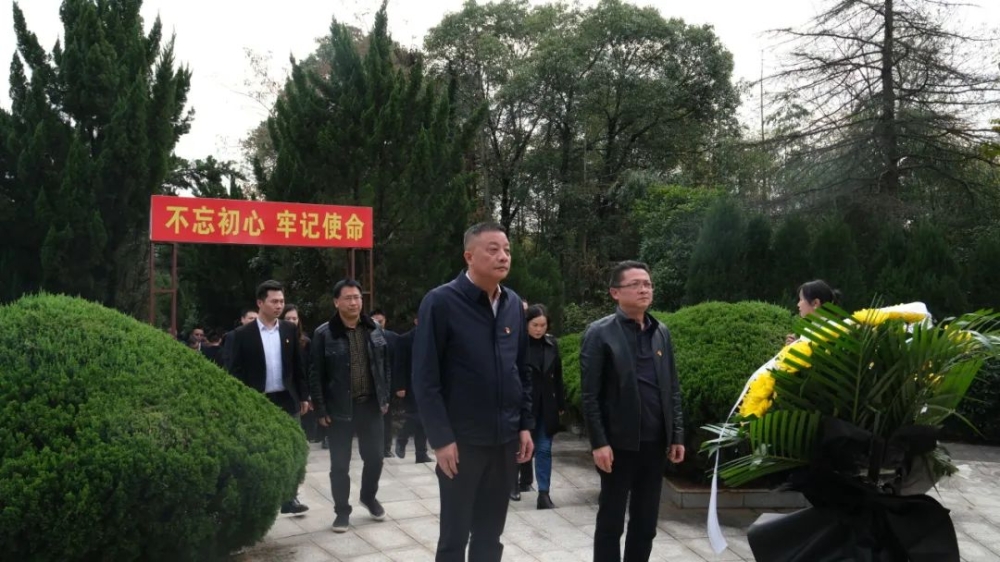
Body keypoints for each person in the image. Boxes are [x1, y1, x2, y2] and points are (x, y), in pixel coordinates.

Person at [413, 222, 534, 562]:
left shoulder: (513, 304)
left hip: (505, 440)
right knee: (454, 537)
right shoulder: (441, 302)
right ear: (469, 256)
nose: (503, 256)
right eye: (493, 250)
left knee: (490, 535)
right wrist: (441, 439)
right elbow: (425, 378)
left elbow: (521, 370)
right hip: (462, 442)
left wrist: (525, 424)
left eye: (507, 250)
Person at [580, 260, 685, 562]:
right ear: (615, 292)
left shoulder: (660, 331)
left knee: (646, 523)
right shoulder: (599, 333)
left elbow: (672, 388)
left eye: (648, 284)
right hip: (618, 445)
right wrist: (599, 442)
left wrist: (677, 434)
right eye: (635, 284)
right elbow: (590, 396)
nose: (644, 289)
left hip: (654, 443)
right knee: (611, 521)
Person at [310, 279, 392, 533]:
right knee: (340, 465)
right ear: (336, 302)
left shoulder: (374, 329)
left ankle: (368, 496)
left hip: (371, 406)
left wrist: (385, 397)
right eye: (348, 298)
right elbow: (316, 374)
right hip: (339, 409)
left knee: (376, 458)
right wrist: (321, 409)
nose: (354, 302)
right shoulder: (324, 334)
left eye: (357, 297)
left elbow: (385, 366)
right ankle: (342, 511)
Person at [226, 280, 310, 515]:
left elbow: (298, 367)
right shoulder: (242, 335)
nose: (279, 306)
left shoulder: (289, 330)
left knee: (293, 448)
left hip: (286, 398)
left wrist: (304, 396)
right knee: (260, 449)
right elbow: (234, 372)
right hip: (258, 400)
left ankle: (290, 497)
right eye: (274, 301)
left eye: (282, 301)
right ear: (260, 303)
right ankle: (260, 498)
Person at [510, 304, 565, 509]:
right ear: (526, 324)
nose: (539, 329)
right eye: (535, 325)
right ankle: (512, 484)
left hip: (547, 405)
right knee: (520, 446)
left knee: (544, 449)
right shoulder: (517, 345)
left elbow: (558, 376)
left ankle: (544, 493)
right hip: (523, 404)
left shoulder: (552, 344)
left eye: (543, 325)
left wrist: (561, 403)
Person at [392, 317, 431, 463]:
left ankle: (421, 454)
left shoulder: (432, 337)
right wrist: (400, 386)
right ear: (416, 321)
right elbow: (399, 364)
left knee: (424, 419)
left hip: (427, 384)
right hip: (410, 384)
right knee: (416, 415)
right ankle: (402, 439)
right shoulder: (404, 339)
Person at [282, 305, 321, 443]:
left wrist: (308, 394)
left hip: (302, 388)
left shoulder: (305, 342)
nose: (291, 321)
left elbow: (310, 368)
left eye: (294, 318)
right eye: (288, 318)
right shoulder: (277, 339)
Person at [371, 309, 399, 458]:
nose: (378, 324)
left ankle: (386, 447)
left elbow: (397, 363)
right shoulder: (365, 337)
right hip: (370, 385)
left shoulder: (393, 338)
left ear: (385, 321)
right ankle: (374, 448)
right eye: (374, 321)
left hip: (388, 383)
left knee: (387, 417)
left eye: (380, 321)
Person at [787, 279, 843, 344]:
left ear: (815, 303)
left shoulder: (833, 329)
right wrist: (795, 344)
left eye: (801, 299)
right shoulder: (808, 330)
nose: (798, 304)